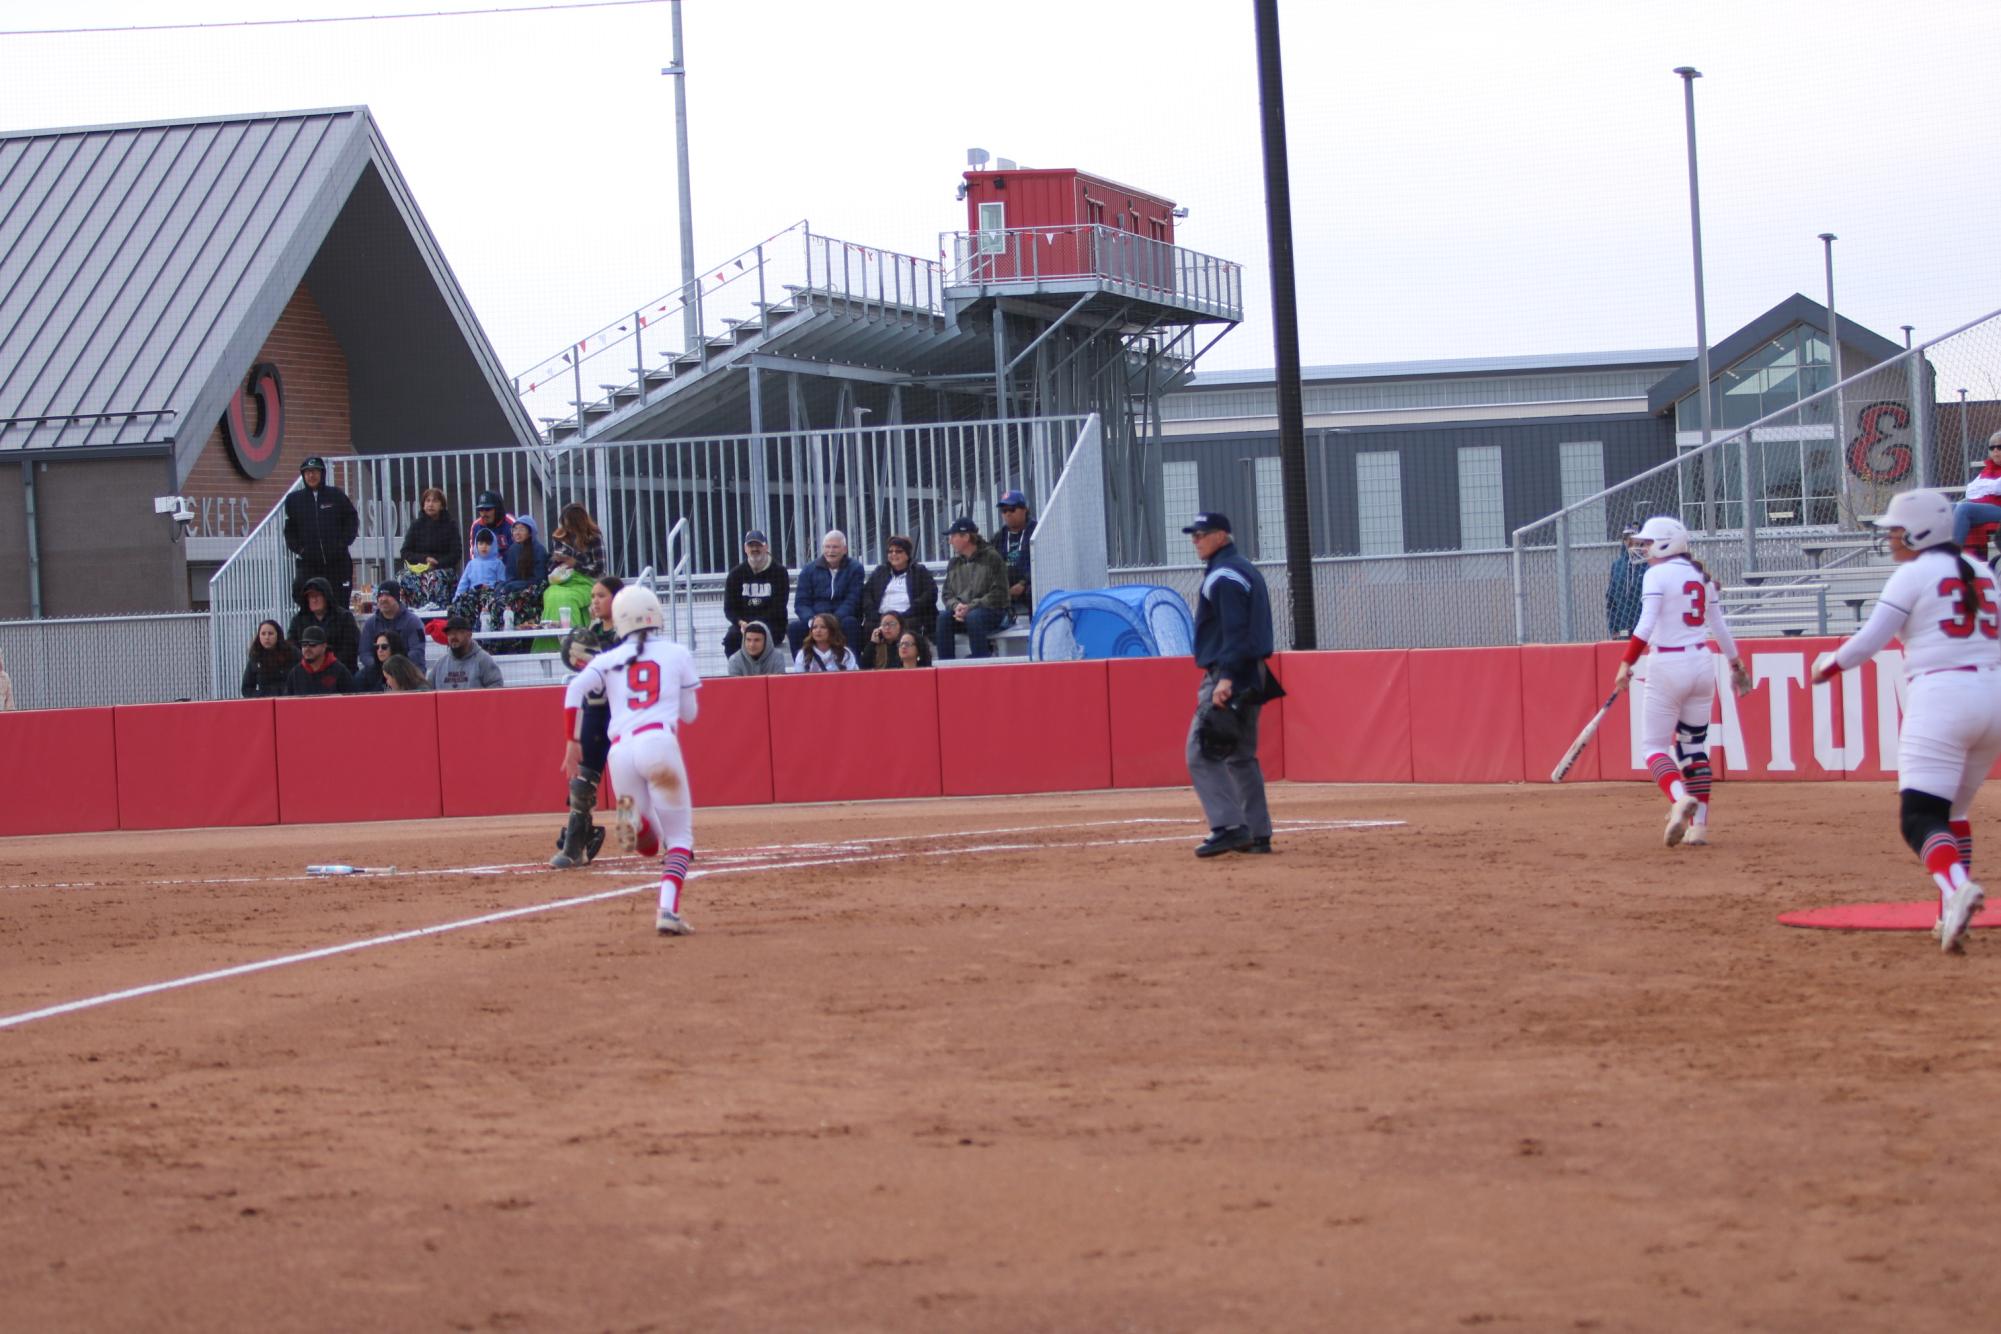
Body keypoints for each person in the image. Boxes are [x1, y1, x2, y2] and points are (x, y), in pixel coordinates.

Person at [1812, 489, 2001, 951]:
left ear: (1918, 532)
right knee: (1952, 814)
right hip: (1993, 696)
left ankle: (1957, 889)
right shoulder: (1980, 570)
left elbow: (1868, 641)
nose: (1890, 538)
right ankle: (1947, 911)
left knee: (1918, 816)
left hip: (1943, 695)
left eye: (1896, 530)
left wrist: (1827, 665)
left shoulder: (1914, 574)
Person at [562, 585, 702, 936]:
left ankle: (635, 823)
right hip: (658, 742)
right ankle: (667, 909)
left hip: (619, 751)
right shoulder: (676, 652)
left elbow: (573, 690)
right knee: (680, 839)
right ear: (655, 614)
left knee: (638, 843)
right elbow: (690, 715)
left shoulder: (607, 659)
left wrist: (571, 741)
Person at [1611, 515, 1751, 849]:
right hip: (1702, 663)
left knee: (1654, 747)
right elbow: (1720, 628)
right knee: (1693, 748)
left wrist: (1625, 663)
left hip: (1668, 662)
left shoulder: (1656, 574)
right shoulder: (1700, 576)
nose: (1643, 548)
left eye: (1647, 543)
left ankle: (1678, 798)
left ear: (1664, 543)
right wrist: (1736, 665)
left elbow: (1645, 625)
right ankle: (1699, 826)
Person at [1183, 512, 1285, 857]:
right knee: (1240, 756)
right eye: (1194, 535)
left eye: (1202, 534)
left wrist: (1225, 677)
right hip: (1252, 672)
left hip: (1231, 672)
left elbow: (1235, 630)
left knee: (1200, 752)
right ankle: (1257, 834)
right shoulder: (1240, 568)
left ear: (1223, 536)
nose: (1196, 540)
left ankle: (1229, 826)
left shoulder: (1224, 575)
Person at [551, 576, 624, 870]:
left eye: (601, 595)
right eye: (593, 595)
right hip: (595, 712)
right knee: (581, 784)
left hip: (622, 712)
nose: (594, 601)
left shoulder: (629, 633)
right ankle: (575, 847)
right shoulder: (593, 631)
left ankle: (675, 842)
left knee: (640, 781)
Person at [283, 455, 358, 607]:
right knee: (304, 598)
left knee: (339, 605)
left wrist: (342, 543)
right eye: (308, 472)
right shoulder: (293, 500)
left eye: (315, 471)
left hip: (338, 563)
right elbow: (290, 530)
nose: (311, 475)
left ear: (322, 473)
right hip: (309, 564)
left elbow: (351, 519)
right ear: (303, 475)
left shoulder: (336, 495)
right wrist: (301, 549)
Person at [935, 516, 1010, 660]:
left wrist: (970, 606)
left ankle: (980, 662)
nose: (950, 541)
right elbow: (946, 594)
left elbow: (999, 593)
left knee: (974, 617)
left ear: (966, 537)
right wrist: (956, 606)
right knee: (943, 618)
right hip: (964, 613)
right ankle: (946, 666)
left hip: (993, 612)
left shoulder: (992, 558)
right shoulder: (954, 563)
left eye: (953, 536)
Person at [789, 529, 865, 654]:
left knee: (851, 624)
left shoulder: (855, 568)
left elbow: (853, 600)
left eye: (835, 547)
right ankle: (803, 669)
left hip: (842, 619)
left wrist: (832, 621)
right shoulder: (808, 570)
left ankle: (853, 669)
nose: (830, 551)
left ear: (844, 549)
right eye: (827, 547)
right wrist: (814, 621)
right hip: (815, 619)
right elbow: (801, 603)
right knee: (794, 628)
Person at [859, 535, 938, 646]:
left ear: (907, 554)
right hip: (881, 617)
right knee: (868, 627)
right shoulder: (880, 572)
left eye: (898, 551)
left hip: (908, 616)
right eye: (890, 552)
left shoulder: (919, 571)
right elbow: (866, 593)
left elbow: (930, 593)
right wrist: (872, 612)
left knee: (908, 626)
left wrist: (912, 610)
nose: (893, 554)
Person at [722, 530, 789, 659]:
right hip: (743, 626)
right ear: (745, 548)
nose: (754, 548)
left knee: (759, 638)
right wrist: (740, 622)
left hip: (772, 624)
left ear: (766, 547)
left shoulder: (780, 572)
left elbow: (779, 607)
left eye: (758, 545)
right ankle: (738, 676)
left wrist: (756, 625)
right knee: (731, 639)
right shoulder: (735, 574)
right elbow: (729, 608)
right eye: (751, 545)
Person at [543, 503, 605, 636]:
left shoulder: (594, 538)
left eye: (569, 525)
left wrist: (575, 563)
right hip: (562, 581)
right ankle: (551, 639)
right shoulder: (559, 537)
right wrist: (555, 561)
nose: (567, 528)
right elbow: (550, 566)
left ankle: (573, 637)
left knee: (568, 599)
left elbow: (599, 569)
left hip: (586, 582)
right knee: (551, 594)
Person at [399, 487, 462, 607]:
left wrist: (436, 564)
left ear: (442, 505)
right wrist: (424, 560)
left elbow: (456, 553)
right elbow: (405, 552)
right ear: (423, 505)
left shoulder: (450, 525)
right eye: (427, 501)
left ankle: (437, 609)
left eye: (435, 501)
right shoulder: (416, 525)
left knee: (433, 579)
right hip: (420, 567)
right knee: (402, 577)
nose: (430, 504)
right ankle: (412, 609)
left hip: (442, 568)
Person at [287, 576, 361, 671]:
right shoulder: (298, 620)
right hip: (307, 671)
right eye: (310, 596)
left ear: (326, 596)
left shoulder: (344, 617)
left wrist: (328, 664)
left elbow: (350, 648)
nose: (314, 600)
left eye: (317, 595)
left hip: (339, 671)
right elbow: (292, 646)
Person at [1951, 430, 2001, 556]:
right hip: (1982, 509)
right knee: (1946, 508)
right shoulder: (1987, 469)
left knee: (1964, 509)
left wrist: (1984, 487)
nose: (1996, 450)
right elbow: (1970, 491)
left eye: (2000, 447)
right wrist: (1989, 487)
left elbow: (1997, 487)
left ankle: (1952, 555)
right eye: (1992, 447)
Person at [992, 489, 1036, 619]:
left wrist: (1023, 583)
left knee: (1032, 592)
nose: (1007, 514)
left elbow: (1044, 562)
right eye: (1004, 511)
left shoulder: (1036, 531)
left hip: (1029, 586)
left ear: (1024, 509)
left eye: (1012, 509)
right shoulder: (999, 537)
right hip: (1005, 589)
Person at [428, 614, 503, 690]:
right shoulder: (440, 664)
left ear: (469, 634)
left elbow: (496, 687)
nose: (453, 637)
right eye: (450, 633)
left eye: (458, 632)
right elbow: (427, 691)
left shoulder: (483, 660)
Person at [359, 583, 427, 662]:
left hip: (407, 670)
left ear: (397, 598)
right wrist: (379, 667)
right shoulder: (370, 624)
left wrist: (394, 667)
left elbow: (417, 652)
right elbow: (364, 653)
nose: (383, 599)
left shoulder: (414, 622)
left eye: (388, 595)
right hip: (378, 671)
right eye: (380, 596)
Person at [285, 625, 354, 696]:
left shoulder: (340, 671)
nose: (307, 649)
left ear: (324, 646)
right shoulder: (295, 673)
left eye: (312, 644)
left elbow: (351, 700)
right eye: (304, 645)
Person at [1606, 526, 1647, 638]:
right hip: (1623, 628)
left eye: (1633, 537)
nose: (1630, 541)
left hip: (1645, 627)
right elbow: (1611, 600)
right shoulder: (1618, 565)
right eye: (1626, 538)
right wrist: (1613, 628)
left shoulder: (1649, 565)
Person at [241, 620, 295, 697]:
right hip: (264, 703)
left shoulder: (291, 652)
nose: (267, 637)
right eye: (263, 634)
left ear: (278, 635)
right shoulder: (255, 656)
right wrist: (261, 697)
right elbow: (246, 688)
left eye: (270, 634)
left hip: (288, 700)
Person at [792, 612, 858, 672]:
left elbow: (853, 677)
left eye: (823, 627)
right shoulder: (803, 654)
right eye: (814, 627)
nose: (818, 630)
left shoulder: (845, 653)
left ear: (832, 630)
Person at [470, 490, 516, 560]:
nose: (484, 514)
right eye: (481, 510)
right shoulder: (476, 526)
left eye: (488, 509)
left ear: (497, 509)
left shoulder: (511, 523)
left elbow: (518, 551)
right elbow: (474, 553)